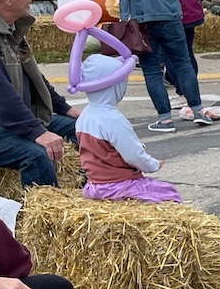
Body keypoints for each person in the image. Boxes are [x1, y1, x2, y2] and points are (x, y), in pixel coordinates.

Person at [102, 0, 210, 133]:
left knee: (152, 70)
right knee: (183, 64)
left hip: (140, 23)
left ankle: (165, 118)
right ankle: (197, 110)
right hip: (170, 18)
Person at [0, 0, 77, 187]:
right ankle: (45, 218)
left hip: (11, 121)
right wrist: (36, 131)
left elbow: (34, 77)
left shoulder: (11, 27)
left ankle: (91, 199)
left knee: (83, 130)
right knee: (37, 154)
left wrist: (66, 109)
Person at [72, 53, 179, 203]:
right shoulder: (113, 119)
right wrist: (152, 164)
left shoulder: (85, 115)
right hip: (118, 186)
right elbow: (133, 155)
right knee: (169, 194)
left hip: (94, 186)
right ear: (113, 85)